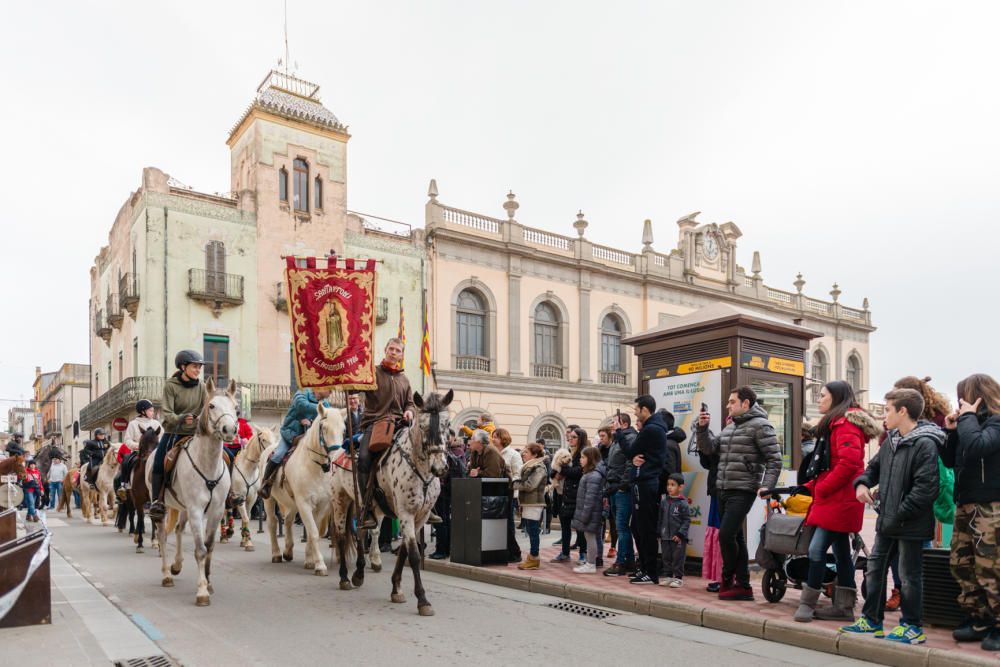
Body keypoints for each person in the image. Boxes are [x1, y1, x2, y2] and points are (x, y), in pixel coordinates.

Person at [841, 388, 942, 645]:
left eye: (887, 409)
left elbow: (926, 488)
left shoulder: (926, 443)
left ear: (902, 411)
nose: (883, 415)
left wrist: (897, 514)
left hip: (910, 524)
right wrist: (862, 484)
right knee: (874, 570)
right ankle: (871, 621)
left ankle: (912, 626)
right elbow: (872, 469)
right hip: (888, 520)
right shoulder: (892, 440)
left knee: (909, 576)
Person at [794, 381, 879, 623]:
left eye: (822, 396)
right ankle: (843, 607)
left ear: (836, 398)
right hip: (836, 499)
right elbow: (831, 466)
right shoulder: (838, 423)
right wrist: (811, 487)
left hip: (839, 500)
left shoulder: (845, 424)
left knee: (816, 549)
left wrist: (821, 488)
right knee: (841, 551)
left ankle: (807, 604)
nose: (819, 399)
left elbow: (849, 465)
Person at [696, 386, 781, 600]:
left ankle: (728, 579)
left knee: (725, 535)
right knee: (736, 537)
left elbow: (774, 459)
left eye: (732, 402)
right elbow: (709, 449)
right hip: (723, 487)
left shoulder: (761, 426)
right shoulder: (731, 426)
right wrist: (702, 429)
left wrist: (766, 485)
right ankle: (743, 585)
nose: (728, 405)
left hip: (743, 489)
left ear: (746, 403)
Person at [880, 375, 955, 611]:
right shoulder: (892, 427)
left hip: (922, 492)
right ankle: (901, 590)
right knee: (895, 549)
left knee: (920, 544)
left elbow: (945, 455)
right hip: (896, 491)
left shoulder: (937, 421)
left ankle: (926, 595)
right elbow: (884, 451)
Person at [940, 373, 1000, 651]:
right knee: (961, 563)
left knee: (991, 567)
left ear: (976, 395)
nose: (959, 401)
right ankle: (979, 618)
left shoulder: (996, 421)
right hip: (965, 502)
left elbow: (978, 447)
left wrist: (966, 419)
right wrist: (951, 432)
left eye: (963, 395)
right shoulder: (969, 425)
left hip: (991, 504)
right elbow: (951, 460)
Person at [356, 338, 415, 528]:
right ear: (385, 350)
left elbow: (410, 403)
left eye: (398, 350)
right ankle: (367, 508)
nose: (394, 352)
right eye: (391, 349)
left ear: (402, 355)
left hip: (400, 425)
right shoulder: (372, 373)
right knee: (364, 459)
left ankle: (426, 505)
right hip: (375, 424)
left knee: (421, 452)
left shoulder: (404, 380)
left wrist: (409, 411)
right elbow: (355, 388)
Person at [149, 350, 209, 521]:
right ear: (183, 367)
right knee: (159, 462)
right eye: (194, 366)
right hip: (174, 432)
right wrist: (180, 418)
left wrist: (200, 419)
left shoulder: (202, 387)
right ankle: (157, 501)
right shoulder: (171, 386)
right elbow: (167, 413)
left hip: (196, 433)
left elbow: (205, 409)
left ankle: (227, 496)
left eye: (199, 367)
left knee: (224, 455)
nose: (198, 370)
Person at [624, 395, 669, 585]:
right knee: (637, 527)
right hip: (643, 482)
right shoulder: (653, 428)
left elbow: (631, 450)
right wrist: (634, 459)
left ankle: (650, 572)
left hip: (646, 483)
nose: (634, 412)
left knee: (646, 529)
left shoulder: (651, 429)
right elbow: (635, 454)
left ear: (644, 410)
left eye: (636, 409)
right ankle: (645, 568)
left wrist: (620, 433)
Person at [259, 387, 332, 500]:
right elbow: (302, 405)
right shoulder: (302, 393)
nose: (331, 391)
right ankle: (265, 483)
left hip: (307, 437)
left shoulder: (325, 403)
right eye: (329, 388)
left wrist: (312, 422)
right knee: (279, 454)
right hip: (291, 434)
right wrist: (320, 410)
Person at [604, 412, 638, 576]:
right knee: (621, 527)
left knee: (622, 527)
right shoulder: (617, 440)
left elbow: (630, 463)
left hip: (621, 490)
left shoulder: (629, 438)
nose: (611, 425)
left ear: (623, 423)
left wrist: (621, 486)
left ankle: (621, 562)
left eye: (613, 422)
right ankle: (629, 561)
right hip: (614, 489)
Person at [430, 430, 467, 560]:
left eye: (446, 436)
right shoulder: (454, 451)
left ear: (452, 437)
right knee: (443, 521)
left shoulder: (455, 452)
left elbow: (452, 471)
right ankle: (445, 549)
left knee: (442, 521)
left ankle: (442, 550)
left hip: (446, 490)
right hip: (446, 490)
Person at [552, 428, 587, 563]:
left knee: (579, 526)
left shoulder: (583, 452)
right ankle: (565, 552)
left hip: (577, 493)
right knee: (565, 524)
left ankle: (583, 553)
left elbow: (579, 471)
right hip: (564, 493)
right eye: (569, 437)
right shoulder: (566, 451)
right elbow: (554, 468)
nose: (570, 439)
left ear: (580, 438)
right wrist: (558, 472)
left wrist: (563, 470)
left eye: (573, 437)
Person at [514, 443, 549, 570]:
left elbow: (530, 485)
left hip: (534, 503)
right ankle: (532, 558)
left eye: (526, 452)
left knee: (533, 531)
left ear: (534, 455)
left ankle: (534, 558)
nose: (523, 453)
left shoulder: (539, 467)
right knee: (530, 530)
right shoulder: (530, 465)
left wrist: (514, 484)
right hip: (528, 502)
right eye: (523, 451)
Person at [571, 445, 606, 574]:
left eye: (583, 457)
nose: (580, 459)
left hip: (591, 513)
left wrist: (584, 516)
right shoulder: (590, 474)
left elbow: (590, 499)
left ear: (590, 459)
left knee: (590, 537)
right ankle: (592, 561)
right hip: (591, 512)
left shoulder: (593, 476)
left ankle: (591, 564)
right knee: (591, 537)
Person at [118, 399, 161, 500]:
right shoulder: (133, 424)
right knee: (125, 460)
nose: (152, 412)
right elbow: (127, 440)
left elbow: (162, 437)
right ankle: (123, 486)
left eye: (153, 410)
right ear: (143, 411)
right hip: (139, 452)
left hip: (154, 452)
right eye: (150, 410)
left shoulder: (156, 423)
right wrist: (139, 446)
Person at [493, 428, 522, 563]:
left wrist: (513, 488)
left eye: (496, 437)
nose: (493, 439)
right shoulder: (493, 452)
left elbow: (518, 474)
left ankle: (514, 552)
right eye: (493, 436)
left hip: (508, 492)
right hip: (495, 490)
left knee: (508, 524)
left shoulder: (513, 454)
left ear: (503, 438)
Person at [658, 472, 691, 588]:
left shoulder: (683, 503)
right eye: (668, 485)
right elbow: (660, 518)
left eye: (673, 485)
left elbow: (686, 520)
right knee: (666, 557)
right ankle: (668, 575)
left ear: (680, 487)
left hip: (678, 538)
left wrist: (680, 534)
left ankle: (678, 578)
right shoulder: (664, 501)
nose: (669, 487)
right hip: (665, 536)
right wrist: (659, 531)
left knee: (678, 557)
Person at [698, 446, 723, 592]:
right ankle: (719, 577)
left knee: (723, 534)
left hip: (724, 491)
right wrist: (702, 448)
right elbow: (709, 464)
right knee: (716, 533)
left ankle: (725, 578)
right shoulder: (719, 440)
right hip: (716, 490)